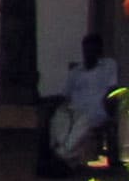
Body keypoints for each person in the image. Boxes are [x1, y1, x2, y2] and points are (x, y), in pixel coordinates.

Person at [50, 34, 123, 172]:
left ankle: (63, 155)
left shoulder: (108, 66)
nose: (88, 53)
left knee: (81, 124)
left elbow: (112, 88)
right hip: (73, 110)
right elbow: (64, 94)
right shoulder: (75, 72)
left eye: (92, 49)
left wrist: (110, 105)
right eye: (86, 50)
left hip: (96, 112)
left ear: (99, 51)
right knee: (58, 119)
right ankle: (60, 152)